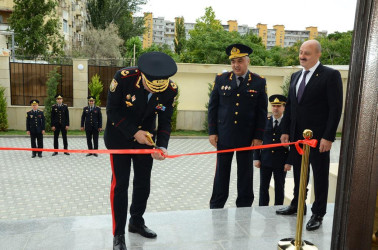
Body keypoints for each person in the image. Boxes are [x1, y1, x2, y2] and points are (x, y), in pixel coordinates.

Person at [104, 51, 178, 250]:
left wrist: (161, 146)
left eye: (157, 91)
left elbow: (165, 120)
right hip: (119, 136)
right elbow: (112, 111)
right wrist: (134, 132)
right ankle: (118, 234)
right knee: (120, 186)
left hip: (145, 140)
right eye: (149, 87)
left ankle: (136, 221)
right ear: (142, 76)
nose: (153, 92)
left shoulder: (170, 90)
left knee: (143, 183)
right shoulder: (123, 78)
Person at [276, 40, 343, 231]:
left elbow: (335, 109)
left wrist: (328, 137)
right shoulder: (296, 76)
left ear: (318, 55)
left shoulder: (331, 75)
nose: (302, 56)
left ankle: (318, 213)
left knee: (320, 175)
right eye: (300, 52)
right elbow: (291, 106)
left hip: (318, 139)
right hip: (297, 137)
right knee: (299, 173)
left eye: (307, 53)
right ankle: (298, 205)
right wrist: (286, 131)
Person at [208, 43, 268, 209]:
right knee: (221, 173)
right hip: (224, 135)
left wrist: (258, 136)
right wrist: (212, 132)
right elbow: (213, 107)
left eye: (240, 61)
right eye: (233, 61)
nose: (236, 65)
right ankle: (216, 205)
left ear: (247, 61)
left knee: (245, 174)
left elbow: (262, 112)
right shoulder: (221, 79)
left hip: (247, 138)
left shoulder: (258, 82)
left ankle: (244, 205)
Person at [254, 94, 289, 206]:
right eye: (273, 106)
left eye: (278, 106)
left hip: (281, 161)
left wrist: (289, 162)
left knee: (279, 187)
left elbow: (292, 145)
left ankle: (278, 208)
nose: (275, 108)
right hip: (265, 160)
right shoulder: (265, 121)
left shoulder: (288, 124)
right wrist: (256, 158)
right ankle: (263, 208)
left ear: (284, 107)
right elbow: (258, 140)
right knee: (263, 186)